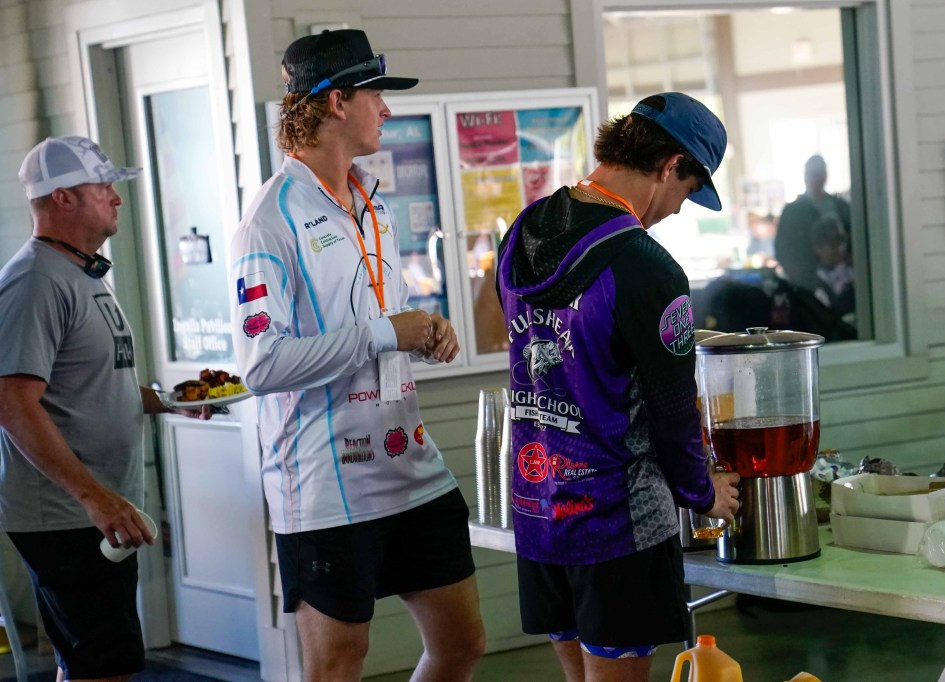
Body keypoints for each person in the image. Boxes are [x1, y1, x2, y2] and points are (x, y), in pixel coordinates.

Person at [229, 29, 485, 681]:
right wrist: (385, 334)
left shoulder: (372, 200)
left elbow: (380, 316)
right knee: (339, 665)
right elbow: (260, 366)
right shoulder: (269, 219)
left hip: (409, 465)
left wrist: (426, 332)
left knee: (462, 643)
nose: (387, 110)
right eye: (377, 95)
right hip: (324, 483)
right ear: (337, 101)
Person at [496, 92, 741, 682]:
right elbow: (673, 411)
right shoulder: (648, 268)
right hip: (617, 525)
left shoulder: (523, 232)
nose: (677, 211)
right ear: (670, 166)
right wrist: (701, 492)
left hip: (538, 509)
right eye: (686, 191)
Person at [0, 135, 212, 682]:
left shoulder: (80, 272)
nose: (117, 198)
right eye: (104, 187)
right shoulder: (35, 281)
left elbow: (90, 384)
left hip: (95, 508)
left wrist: (171, 402)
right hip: (66, 514)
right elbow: (12, 401)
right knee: (105, 668)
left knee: (93, 664)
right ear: (63, 198)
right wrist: (95, 499)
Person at [774, 154, 852, 291]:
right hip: (808, 284)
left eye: (818, 174)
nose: (815, 179)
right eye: (811, 174)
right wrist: (800, 278)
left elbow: (853, 239)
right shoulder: (792, 212)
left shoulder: (841, 207)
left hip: (844, 280)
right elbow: (783, 249)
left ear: (825, 176)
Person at [810, 215, 855, 324]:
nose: (841, 248)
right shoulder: (818, 287)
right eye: (833, 244)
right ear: (818, 248)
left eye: (842, 242)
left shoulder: (854, 269)